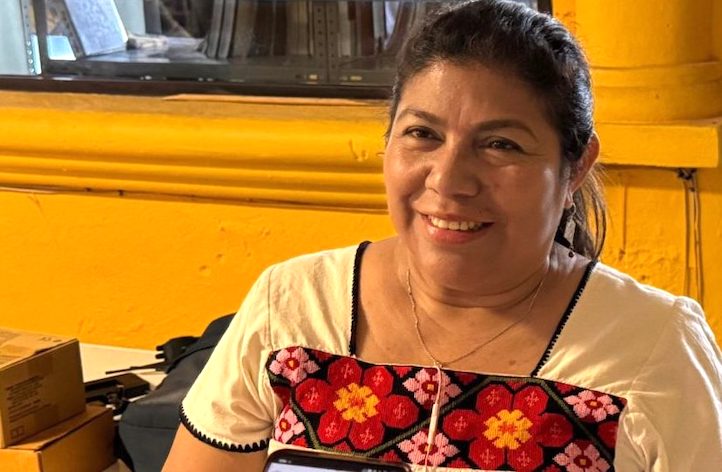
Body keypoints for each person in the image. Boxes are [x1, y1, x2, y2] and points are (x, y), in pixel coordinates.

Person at [162, 1, 722, 470]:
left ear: (575, 167)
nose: (449, 180)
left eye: (500, 144)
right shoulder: (292, 306)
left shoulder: (653, 346)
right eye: (423, 134)